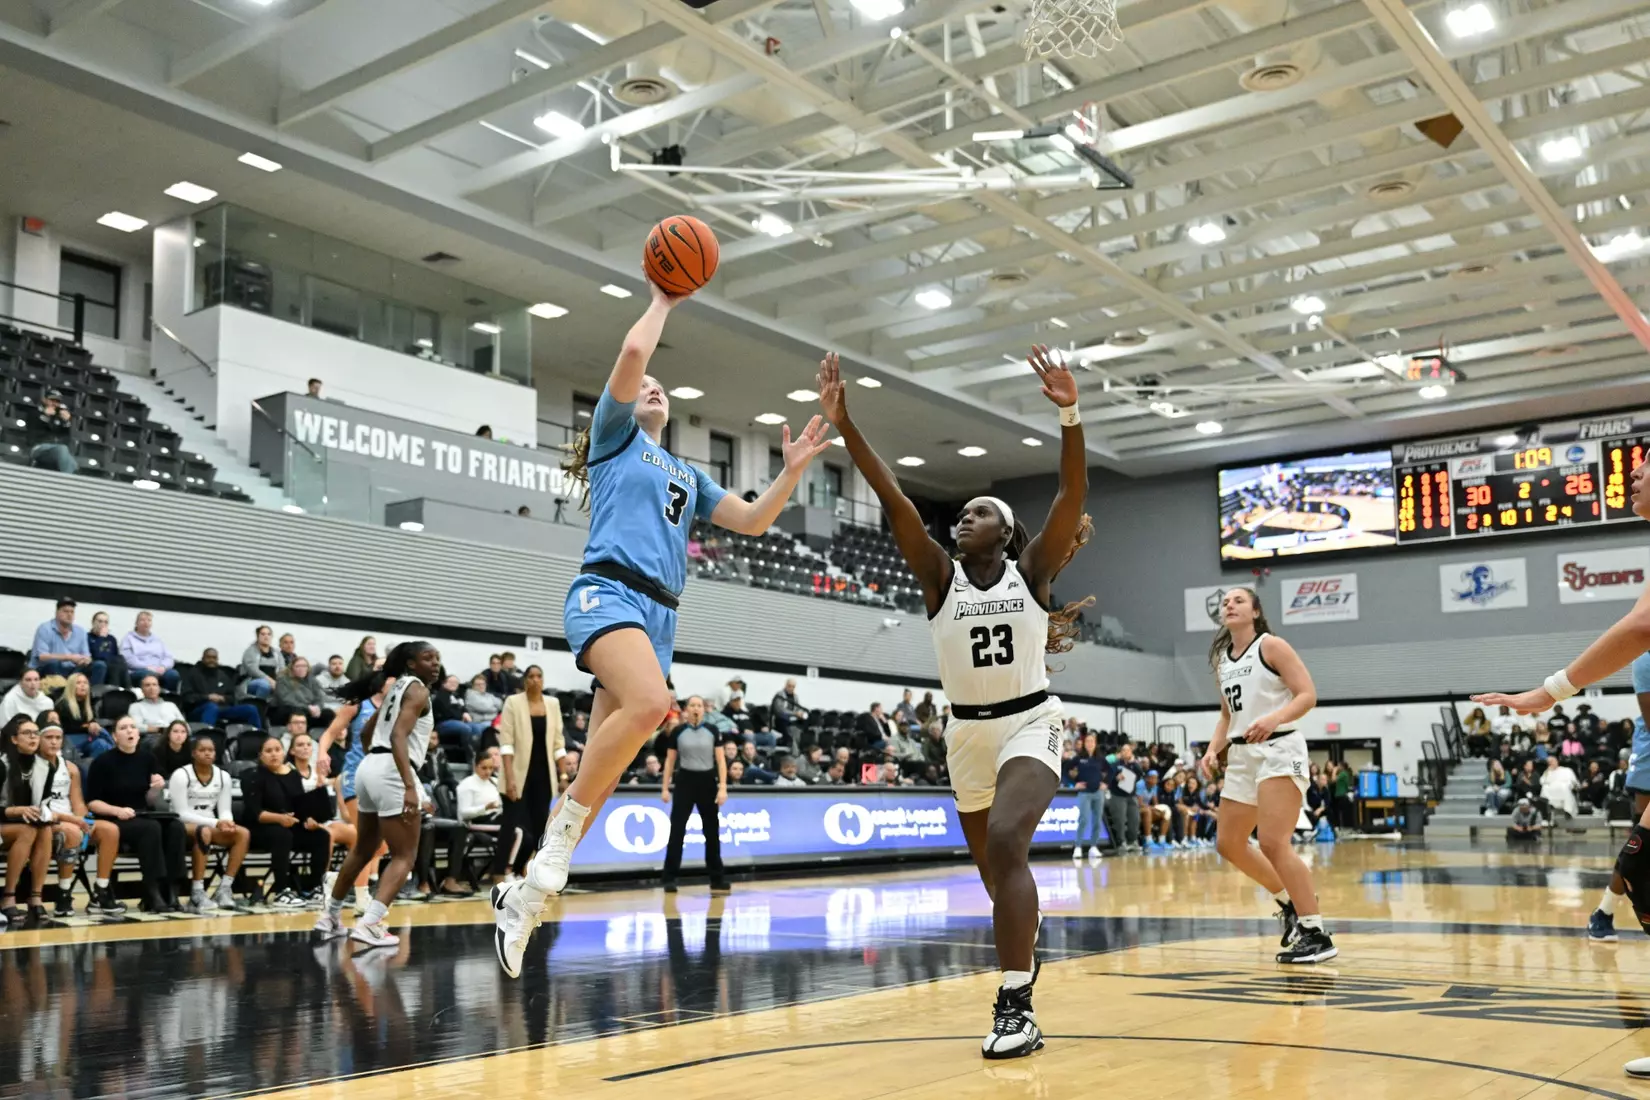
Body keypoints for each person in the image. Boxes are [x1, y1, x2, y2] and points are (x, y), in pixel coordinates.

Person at [490, 280, 833, 979]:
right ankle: (554, 846)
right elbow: (633, 346)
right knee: (653, 705)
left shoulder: (685, 473)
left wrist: (791, 473)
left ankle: (521, 895)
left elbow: (754, 519)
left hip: (660, 614)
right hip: (607, 589)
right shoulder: (617, 442)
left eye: (661, 387)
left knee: (604, 772)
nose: (651, 386)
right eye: (643, 384)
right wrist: (665, 298)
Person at [815, 346, 1091, 1059]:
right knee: (998, 880)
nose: (963, 519)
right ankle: (1023, 955)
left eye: (979, 513)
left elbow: (1070, 495)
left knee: (1006, 842)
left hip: (1031, 721)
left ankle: (1015, 1005)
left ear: (1004, 533)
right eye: (961, 513)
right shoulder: (941, 579)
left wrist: (1069, 413)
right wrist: (846, 426)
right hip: (965, 737)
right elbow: (895, 500)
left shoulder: (1031, 573)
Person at [1199, 586, 1337, 965]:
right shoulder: (1224, 661)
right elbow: (1228, 716)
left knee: (1274, 842)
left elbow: (1307, 694)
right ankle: (1292, 902)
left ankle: (1316, 932)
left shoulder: (1271, 646)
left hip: (1279, 748)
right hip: (1242, 755)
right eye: (1225, 602)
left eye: (1239, 600)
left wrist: (1274, 717)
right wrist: (1213, 749)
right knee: (1229, 842)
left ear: (1256, 611)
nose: (1230, 605)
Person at [313, 642, 442, 948]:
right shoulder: (418, 691)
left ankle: (330, 916)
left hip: (369, 767)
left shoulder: (394, 689)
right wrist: (410, 786)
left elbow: (365, 734)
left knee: (363, 848)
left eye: (437, 658)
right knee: (404, 855)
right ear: (411, 664)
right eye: (428, 658)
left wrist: (378, 761)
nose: (435, 663)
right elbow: (398, 736)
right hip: (393, 769)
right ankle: (370, 923)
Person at [84, 715, 186, 913]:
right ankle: (152, 891)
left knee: (175, 827)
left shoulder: (147, 758)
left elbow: (148, 800)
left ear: (138, 734)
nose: (130, 731)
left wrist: (156, 789)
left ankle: (172, 891)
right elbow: (92, 802)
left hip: (140, 813)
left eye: (132, 727)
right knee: (151, 828)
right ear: (115, 736)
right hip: (113, 818)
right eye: (123, 728)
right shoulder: (103, 761)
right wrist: (117, 810)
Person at [35, 720, 125, 917]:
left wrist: (86, 820)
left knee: (110, 830)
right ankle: (63, 893)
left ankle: (100, 893)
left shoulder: (70, 768)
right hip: (48, 821)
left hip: (71, 819)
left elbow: (78, 804)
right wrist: (75, 822)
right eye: (48, 738)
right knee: (72, 831)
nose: (53, 742)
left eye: (58, 738)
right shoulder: (32, 766)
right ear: (39, 740)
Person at [243, 736, 330, 909]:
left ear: (284, 752)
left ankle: (312, 888)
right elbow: (256, 813)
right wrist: (280, 818)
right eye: (268, 751)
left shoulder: (292, 775)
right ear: (260, 755)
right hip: (260, 829)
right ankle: (281, 891)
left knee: (321, 836)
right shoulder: (253, 776)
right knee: (282, 835)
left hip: (289, 826)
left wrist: (308, 819)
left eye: (277, 750)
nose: (274, 754)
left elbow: (299, 806)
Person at [496, 665, 564, 879]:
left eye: (539, 676)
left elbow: (558, 743)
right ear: (525, 680)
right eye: (531, 676)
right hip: (517, 773)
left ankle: (532, 871)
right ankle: (498, 871)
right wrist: (510, 779)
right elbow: (506, 743)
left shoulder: (553, 704)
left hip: (543, 774)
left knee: (540, 827)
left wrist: (563, 776)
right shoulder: (513, 702)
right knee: (511, 825)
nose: (535, 680)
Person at [166, 736, 247, 912]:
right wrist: (217, 822)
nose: (207, 753)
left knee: (242, 834)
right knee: (204, 832)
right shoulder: (181, 775)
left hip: (210, 824)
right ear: (194, 753)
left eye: (211, 750)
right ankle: (197, 892)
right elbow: (181, 813)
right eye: (202, 750)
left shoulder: (223, 776)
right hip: (182, 826)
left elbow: (225, 808)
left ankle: (224, 888)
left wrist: (227, 820)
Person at [658, 696, 728, 894]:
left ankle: (717, 878)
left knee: (712, 832)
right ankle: (669, 878)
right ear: (686, 710)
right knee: (677, 830)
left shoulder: (713, 731)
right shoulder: (678, 731)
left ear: (704, 709)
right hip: (684, 782)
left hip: (707, 782)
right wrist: (665, 787)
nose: (696, 708)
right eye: (692, 705)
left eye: (699, 705)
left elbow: (721, 762)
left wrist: (722, 787)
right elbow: (670, 762)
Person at [2, 715, 55, 923]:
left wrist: (44, 814)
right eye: (27, 733)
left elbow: (45, 804)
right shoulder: (2, 765)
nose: (33, 737)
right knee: (28, 830)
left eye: (36, 733)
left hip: (28, 824)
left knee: (44, 829)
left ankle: (35, 898)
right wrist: (15, 811)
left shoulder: (46, 767)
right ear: (14, 739)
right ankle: (8, 897)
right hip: (4, 823)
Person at [30, 597, 106, 686]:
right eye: (65, 611)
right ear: (57, 613)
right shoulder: (45, 629)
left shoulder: (80, 631)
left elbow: (87, 656)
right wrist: (70, 657)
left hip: (73, 670)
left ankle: (92, 696)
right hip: (48, 669)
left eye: (72, 612)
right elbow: (42, 657)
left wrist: (85, 660)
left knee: (100, 665)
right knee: (53, 664)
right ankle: (61, 693)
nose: (69, 615)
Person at [181, 649, 263, 730]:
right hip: (198, 710)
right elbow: (187, 698)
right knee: (211, 707)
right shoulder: (192, 674)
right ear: (202, 658)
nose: (211, 660)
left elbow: (232, 698)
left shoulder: (222, 676)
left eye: (214, 658)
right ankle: (206, 738)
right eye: (208, 657)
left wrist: (222, 698)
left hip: (222, 709)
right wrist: (207, 697)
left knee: (251, 709)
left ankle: (259, 737)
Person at [119, 611, 180, 693]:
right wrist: (146, 667)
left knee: (173, 674)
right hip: (139, 671)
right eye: (143, 620)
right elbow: (128, 659)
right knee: (149, 675)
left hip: (159, 669)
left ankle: (168, 698)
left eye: (149, 620)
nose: (146, 623)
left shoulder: (157, 640)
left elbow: (169, 657)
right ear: (136, 623)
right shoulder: (128, 639)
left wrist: (163, 667)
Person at [1067, 731, 1105, 860]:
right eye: (1087, 741)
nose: (1089, 744)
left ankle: (1093, 846)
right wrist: (1074, 783)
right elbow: (1065, 769)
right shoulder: (1079, 758)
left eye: (1092, 741)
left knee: (1097, 820)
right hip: (1084, 793)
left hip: (1098, 793)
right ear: (1084, 744)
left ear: (1095, 744)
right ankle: (1078, 846)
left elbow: (1111, 771)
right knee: (1083, 819)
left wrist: (1105, 783)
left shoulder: (1100, 758)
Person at [434, 672, 491, 752]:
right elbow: (447, 712)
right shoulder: (441, 696)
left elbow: (464, 709)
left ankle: (478, 752)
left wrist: (465, 713)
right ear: (444, 683)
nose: (453, 684)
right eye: (451, 682)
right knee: (466, 728)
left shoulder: (457, 696)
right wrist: (462, 715)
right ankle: (469, 753)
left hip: (459, 722)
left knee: (478, 727)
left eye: (456, 682)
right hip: (443, 723)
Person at [273, 657, 334, 730]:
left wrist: (317, 707)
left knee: (328, 713)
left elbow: (319, 697)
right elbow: (286, 700)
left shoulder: (312, 680)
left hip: (310, 711)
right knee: (292, 710)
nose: (301, 668)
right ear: (292, 668)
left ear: (308, 668)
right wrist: (307, 708)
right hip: (292, 710)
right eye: (298, 666)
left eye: (304, 666)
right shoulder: (283, 680)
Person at [1104, 742, 1142, 853]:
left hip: (1131, 795)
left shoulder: (1134, 764)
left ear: (1131, 752)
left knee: (1134, 819)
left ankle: (1133, 841)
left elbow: (1139, 775)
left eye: (1128, 750)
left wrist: (1133, 763)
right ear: (1120, 752)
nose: (1125, 752)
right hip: (1117, 795)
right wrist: (1116, 777)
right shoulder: (1115, 763)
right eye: (1123, 750)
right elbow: (1108, 776)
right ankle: (1121, 842)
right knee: (1119, 820)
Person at [27, 389, 76, 473]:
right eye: (52, 400)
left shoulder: (59, 417)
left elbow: (66, 438)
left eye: (57, 401)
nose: (54, 403)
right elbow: (33, 430)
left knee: (73, 463)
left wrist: (67, 423)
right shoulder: (35, 412)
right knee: (63, 449)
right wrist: (45, 416)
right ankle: (67, 482)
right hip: (38, 447)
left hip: (56, 449)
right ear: (45, 400)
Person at [239, 625, 285, 701]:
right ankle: (260, 708)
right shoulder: (250, 651)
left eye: (268, 634)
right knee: (264, 685)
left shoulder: (277, 653)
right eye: (263, 634)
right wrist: (270, 681)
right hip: (252, 682)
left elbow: (282, 670)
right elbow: (253, 670)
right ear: (258, 636)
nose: (266, 636)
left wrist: (280, 683)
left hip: (274, 683)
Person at [86, 611, 131, 690]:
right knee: (108, 664)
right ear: (93, 623)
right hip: (95, 666)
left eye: (106, 622)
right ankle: (113, 690)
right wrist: (101, 638)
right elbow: (97, 655)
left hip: (111, 666)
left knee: (120, 659)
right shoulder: (87, 637)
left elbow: (115, 656)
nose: (103, 624)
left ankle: (128, 689)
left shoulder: (111, 639)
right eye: (100, 621)